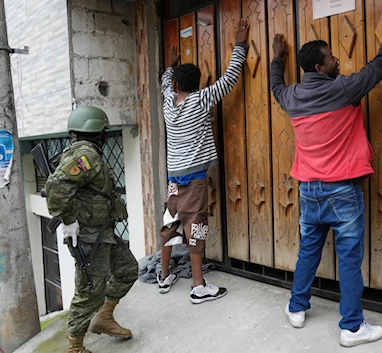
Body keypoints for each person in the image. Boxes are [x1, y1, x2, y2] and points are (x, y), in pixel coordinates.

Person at [270, 0, 382, 347]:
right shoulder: (343, 89)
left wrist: (277, 57)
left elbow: (275, 85)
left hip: (309, 191)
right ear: (320, 66)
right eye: (331, 58)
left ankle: (296, 307)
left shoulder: (292, 96)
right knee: (348, 259)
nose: (337, 61)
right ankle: (351, 327)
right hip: (342, 191)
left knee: (308, 251)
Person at [156, 19, 250, 303]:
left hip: (174, 179)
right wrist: (241, 44)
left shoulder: (168, 102)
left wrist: (169, 65)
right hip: (195, 180)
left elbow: (163, 84)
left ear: (176, 85)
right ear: (197, 85)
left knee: (171, 223)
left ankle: (164, 276)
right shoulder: (201, 100)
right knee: (196, 227)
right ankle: (198, 287)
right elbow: (230, 78)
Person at [46, 106, 138, 353]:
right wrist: (67, 219)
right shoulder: (87, 156)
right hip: (90, 238)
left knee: (127, 270)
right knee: (89, 292)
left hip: (103, 234)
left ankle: (104, 318)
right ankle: (75, 347)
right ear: (98, 132)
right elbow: (56, 187)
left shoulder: (85, 154)